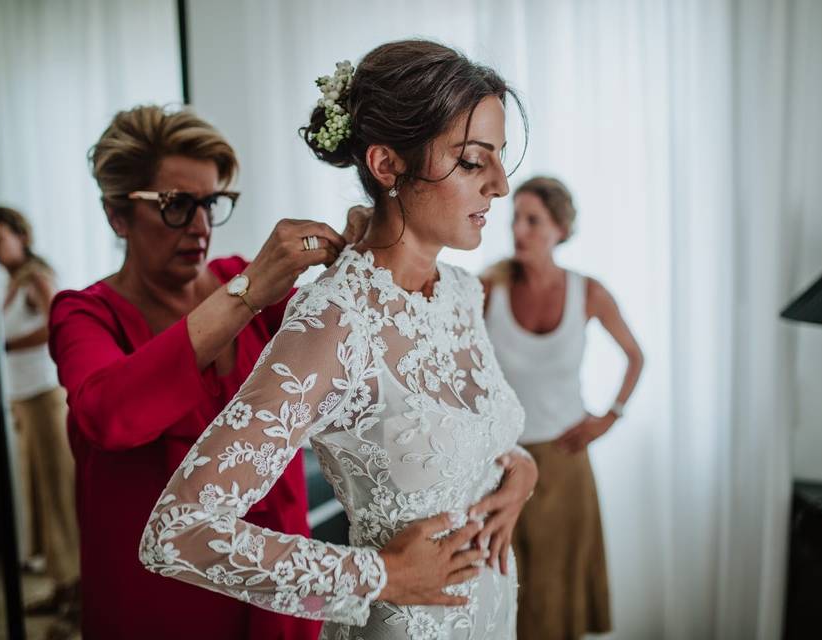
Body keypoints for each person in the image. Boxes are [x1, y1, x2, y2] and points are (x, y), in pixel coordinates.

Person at [140, 40, 538, 639]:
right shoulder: (335, 322)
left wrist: (521, 473)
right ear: (387, 166)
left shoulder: (462, 292)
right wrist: (377, 575)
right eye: (473, 161)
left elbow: (475, 441)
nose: (501, 185)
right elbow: (176, 532)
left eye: (500, 158)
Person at [48, 105, 368, 639]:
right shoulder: (84, 314)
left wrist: (362, 248)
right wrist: (245, 293)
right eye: (176, 205)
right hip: (162, 600)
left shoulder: (237, 283)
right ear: (116, 215)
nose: (199, 227)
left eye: (210, 204)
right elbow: (107, 413)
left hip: (273, 589)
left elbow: (348, 339)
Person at [482, 176, 645, 639]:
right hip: (501, 463)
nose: (519, 229)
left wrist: (610, 416)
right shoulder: (488, 288)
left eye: (533, 220)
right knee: (510, 589)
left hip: (566, 459)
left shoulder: (587, 292)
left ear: (559, 228)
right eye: (516, 218)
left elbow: (636, 356)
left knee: (558, 593)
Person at [0, 206, 80, 629]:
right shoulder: (12, 282)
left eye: (0, 237)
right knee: (40, 496)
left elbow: (56, 323)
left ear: (20, 237)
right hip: (24, 399)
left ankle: (78, 588)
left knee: (58, 494)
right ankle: (61, 584)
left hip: (46, 398)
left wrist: (6, 345)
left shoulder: (34, 277)